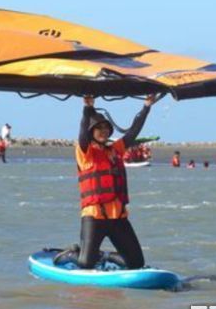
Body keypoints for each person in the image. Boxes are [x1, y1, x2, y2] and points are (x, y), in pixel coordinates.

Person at [58, 94, 155, 270]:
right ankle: (72, 254)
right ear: (91, 132)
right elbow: (82, 134)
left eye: (105, 128)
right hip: (94, 217)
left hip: (118, 217)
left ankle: (106, 255)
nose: (103, 130)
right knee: (86, 263)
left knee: (137, 263)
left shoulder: (115, 150)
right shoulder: (84, 152)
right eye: (98, 128)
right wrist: (87, 108)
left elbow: (133, 132)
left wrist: (147, 106)